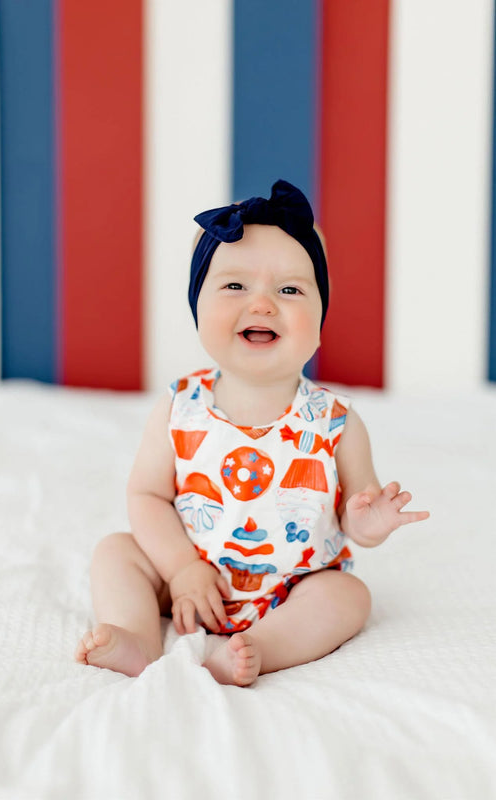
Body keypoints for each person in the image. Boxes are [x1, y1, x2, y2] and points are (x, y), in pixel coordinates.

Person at [75, 179, 429, 686]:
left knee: (349, 597)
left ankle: (259, 647)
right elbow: (148, 495)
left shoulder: (337, 422)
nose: (262, 304)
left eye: (289, 289)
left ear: (321, 319)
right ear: (198, 306)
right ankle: (136, 637)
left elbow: (357, 514)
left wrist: (368, 526)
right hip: (190, 582)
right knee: (115, 551)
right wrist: (180, 570)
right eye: (235, 286)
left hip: (292, 588)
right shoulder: (180, 409)